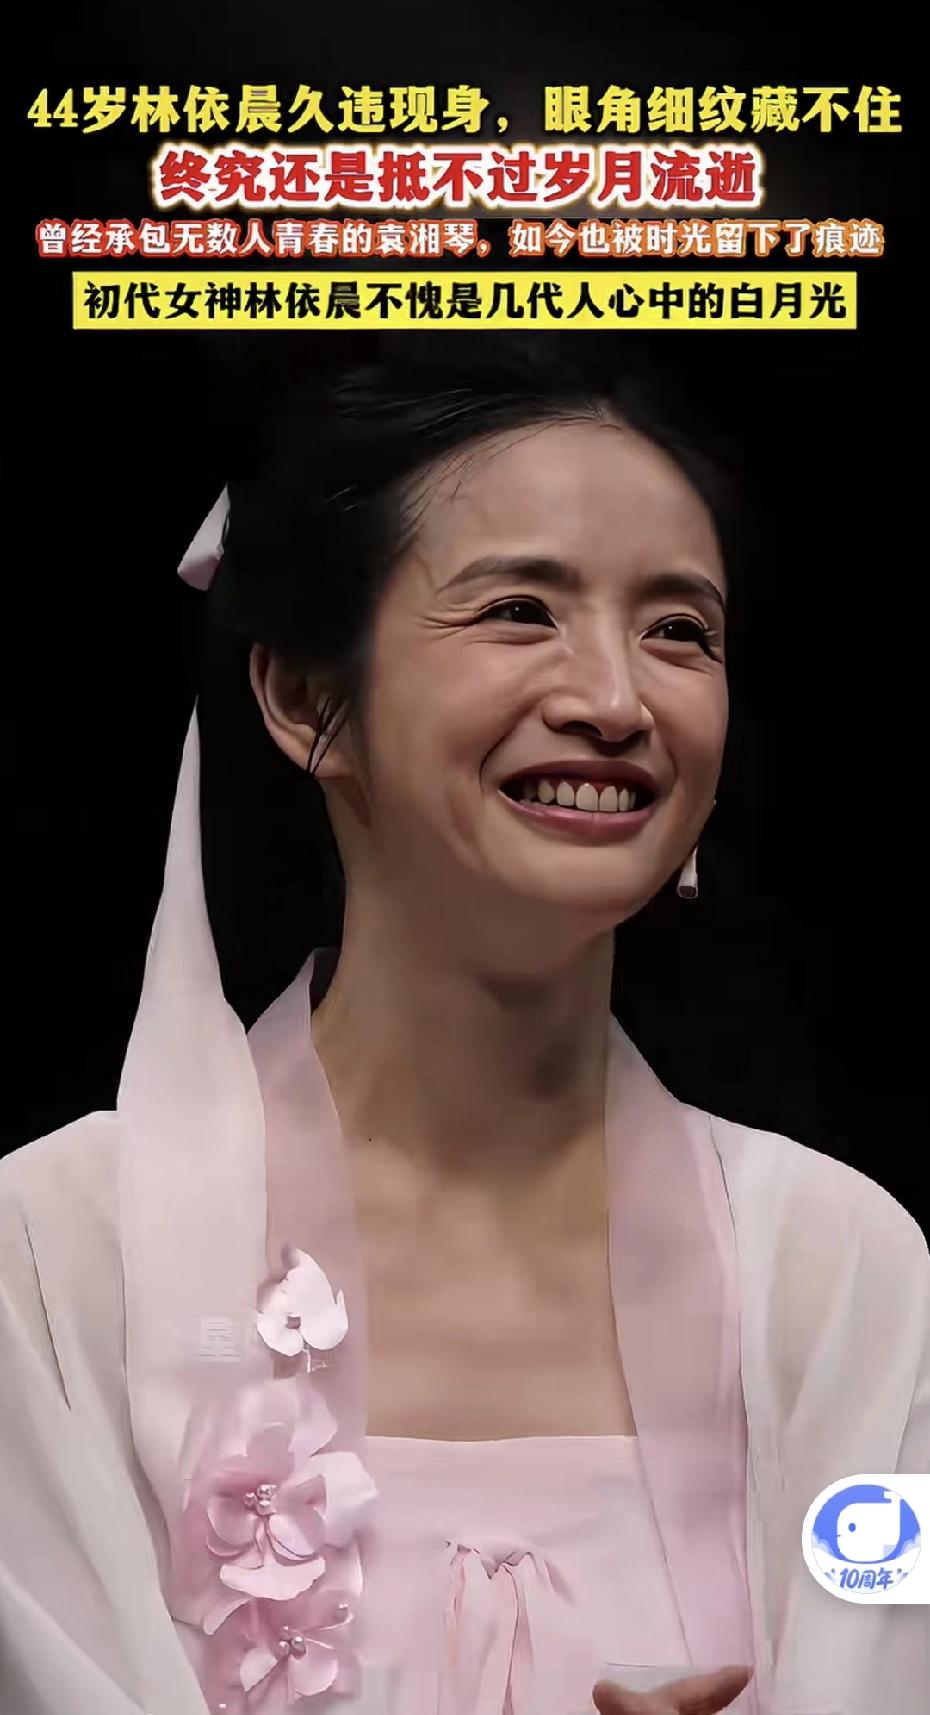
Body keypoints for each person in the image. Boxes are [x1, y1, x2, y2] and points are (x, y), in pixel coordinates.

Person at [0, 336, 926, 1715]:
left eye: (679, 630)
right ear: (307, 696)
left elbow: (892, 1658)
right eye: (518, 611)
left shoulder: (842, 1269)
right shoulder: (55, 1258)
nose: (614, 701)